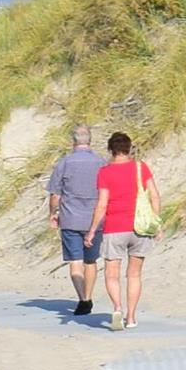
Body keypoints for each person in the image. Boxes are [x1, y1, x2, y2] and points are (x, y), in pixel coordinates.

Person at [93, 130, 157, 331]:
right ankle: (131, 317)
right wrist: (156, 223)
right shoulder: (141, 167)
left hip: (114, 228)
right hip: (139, 227)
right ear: (129, 148)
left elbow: (102, 204)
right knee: (134, 275)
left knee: (111, 274)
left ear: (110, 150)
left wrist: (92, 230)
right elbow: (155, 196)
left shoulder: (105, 172)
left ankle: (117, 308)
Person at [42, 124, 105, 318]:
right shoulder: (101, 162)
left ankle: (83, 300)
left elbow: (55, 194)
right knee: (90, 261)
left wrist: (52, 213)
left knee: (75, 262)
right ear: (90, 141)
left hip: (70, 219)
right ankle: (88, 295)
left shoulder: (65, 162)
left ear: (73, 141)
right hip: (95, 220)